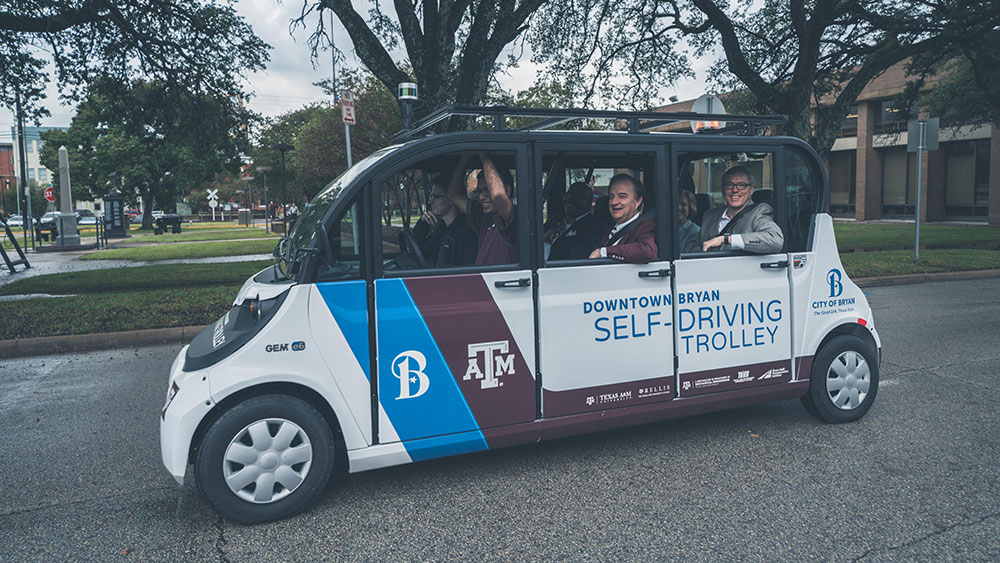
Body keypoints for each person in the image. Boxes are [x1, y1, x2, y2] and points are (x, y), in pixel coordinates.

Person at [447, 151, 517, 265]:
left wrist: (484, 156)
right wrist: (464, 157)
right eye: (479, 191)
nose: (481, 197)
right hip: (482, 280)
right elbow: (452, 194)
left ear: (508, 190)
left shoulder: (511, 218)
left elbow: (498, 196)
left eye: (487, 190)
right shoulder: (483, 217)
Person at [699, 166, 783, 254]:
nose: (735, 190)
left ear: (751, 190)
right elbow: (696, 247)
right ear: (722, 189)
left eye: (741, 185)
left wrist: (727, 239)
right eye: (729, 185)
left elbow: (775, 241)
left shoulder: (759, 212)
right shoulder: (709, 215)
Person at [588, 174, 657, 263]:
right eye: (611, 197)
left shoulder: (645, 225)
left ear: (638, 201)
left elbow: (647, 251)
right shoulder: (610, 230)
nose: (614, 202)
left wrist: (603, 252)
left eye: (622, 196)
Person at [412, 182, 478, 267]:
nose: (430, 201)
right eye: (431, 197)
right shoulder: (442, 230)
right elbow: (420, 251)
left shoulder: (466, 234)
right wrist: (423, 223)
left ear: (451, 199)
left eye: (435, 197)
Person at [545, 181, 607, 260]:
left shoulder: (596, 226)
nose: (569, 199)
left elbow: (581, 253)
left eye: (576, 196)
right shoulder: (555, 219)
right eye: (567, 195)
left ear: (588, 201)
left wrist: (553, 238)